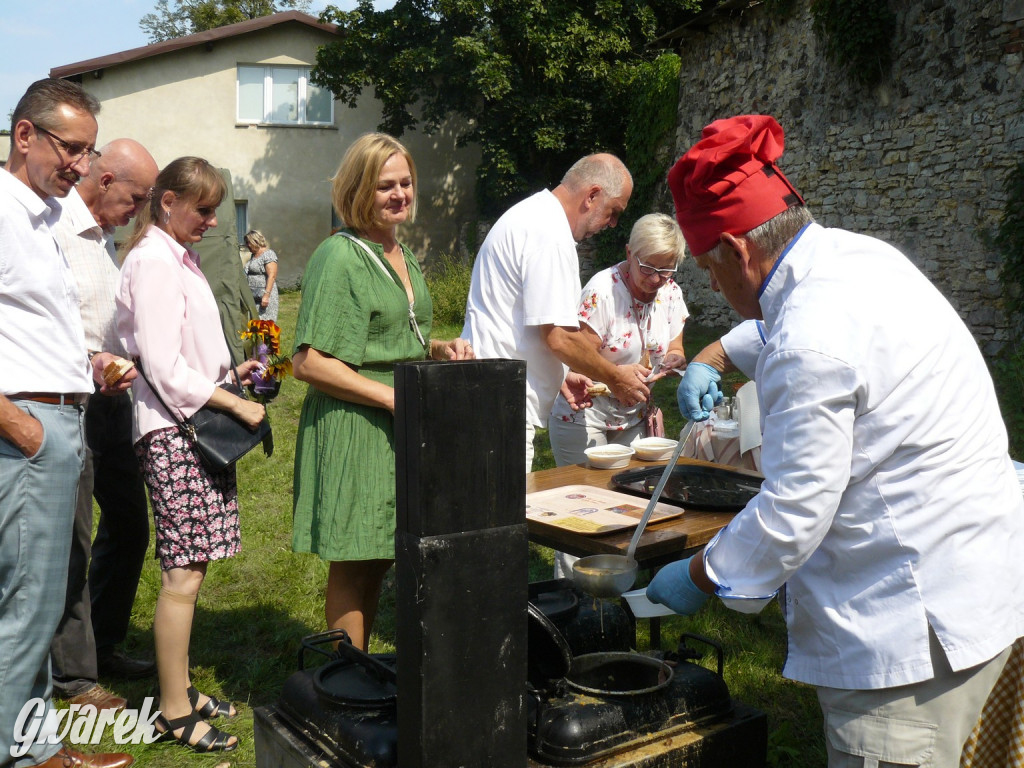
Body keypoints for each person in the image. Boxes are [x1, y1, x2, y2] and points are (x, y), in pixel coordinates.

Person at [647, 114, 1024, 768]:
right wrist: (712, 357)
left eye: (710, 267)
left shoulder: (809, 336)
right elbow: (787, 325)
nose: (711, 284)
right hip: (987, 586)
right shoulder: (857, 258)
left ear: (739, 250)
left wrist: (702, 574)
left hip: (910, 636)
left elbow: (796, 507)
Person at [291, 132, 473, 652]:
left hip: (396, 420)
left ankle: (358, 668)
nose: (399, 194)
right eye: (384, 186)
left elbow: (388, 337)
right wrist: (392, 397)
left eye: (406, 183)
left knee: (381, 551)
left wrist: (435, 349)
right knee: (355, 556)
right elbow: (308, 362)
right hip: (357, 422)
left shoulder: (400, 252)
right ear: (357, 191)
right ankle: (342, 676)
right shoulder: (339, 255)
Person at [0, 78, 134, 768]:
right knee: (25, 606)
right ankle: (26, 753)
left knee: (35, 599)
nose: (81, 166)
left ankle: (30, 746)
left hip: (57, 418)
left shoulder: (42, 218)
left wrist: (88, 366)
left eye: (87, 151)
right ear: (25, 135)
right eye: (71, 149)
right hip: (25, 430)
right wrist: (20, 426)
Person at [117, 156, 266, 753]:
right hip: (175, 432)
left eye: (215, 210)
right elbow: (159, 363)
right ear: (168, 201)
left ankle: (180, 689)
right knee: (182, 574)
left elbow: (187, 351)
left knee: (192, 568)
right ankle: (174, 711)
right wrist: (232, 403)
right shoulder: (153, 261)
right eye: (203, 209)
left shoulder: (175, 256)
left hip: (189, 424)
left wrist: (233, 372)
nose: (211, 221)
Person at [50, 139, 159, 716]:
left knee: (129, 525)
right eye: (136, 197)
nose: (139, 209)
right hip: (71, 398)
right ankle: (73, 676)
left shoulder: (106, 236)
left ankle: (105, 644)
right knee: (75, 539)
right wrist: (91, 360)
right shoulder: (58, 227)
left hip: (113, 401)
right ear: (106, 177)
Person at [462, 153, 649, 469]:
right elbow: (560, 338)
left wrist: (560, 373)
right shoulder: (550, 235)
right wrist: (616, 378)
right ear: (591, 196)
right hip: (500, 404)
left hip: (488, 394)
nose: (614, 223)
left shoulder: (533, 218)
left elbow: (523, 319)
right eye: (614, 212)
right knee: (500, 513)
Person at [548, 213, 688, 465]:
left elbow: (676, 345)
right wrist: (617, 375)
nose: (656, 279)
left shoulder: (671, 294)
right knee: (586, 496)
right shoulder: (602, 293)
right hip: (585, 415)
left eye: (665, 270)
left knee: (634, 496)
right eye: (647, 268)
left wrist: (674, 359)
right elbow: (576, 358)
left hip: (634, 417)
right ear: (629, 253)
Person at [243, 229, 279, 321]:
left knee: (265, 326)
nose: (247, 245)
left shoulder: (268, 254)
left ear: (255, 241)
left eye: (248, 242)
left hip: (264, 298)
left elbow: (272, 276)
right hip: (254, 297)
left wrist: (266, 296)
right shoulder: (253, 256)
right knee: (254, 326)